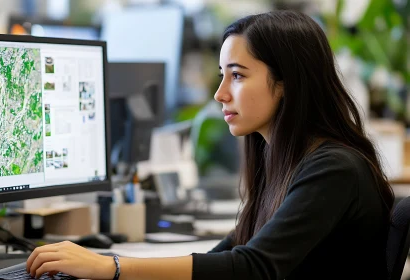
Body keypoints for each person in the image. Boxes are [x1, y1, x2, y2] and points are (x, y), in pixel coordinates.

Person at [25, 10, 394, 280]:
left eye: (237, 75)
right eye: (222, 75)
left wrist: (114, 266)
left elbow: (253, 267)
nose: (220, 94)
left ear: (287, 83)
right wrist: (109, 264)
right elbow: (231, 253)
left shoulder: (334, 169)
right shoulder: (283, 160)